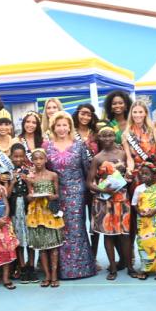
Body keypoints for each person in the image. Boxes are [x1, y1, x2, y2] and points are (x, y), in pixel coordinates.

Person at [44, 111, 97, 280]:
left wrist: (91, 190)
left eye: (65, 125)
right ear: (53, 127)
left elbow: (86, 168)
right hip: (55, 192)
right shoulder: (47, 146)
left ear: (70, 127)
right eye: (58, 125)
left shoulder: (78, 145)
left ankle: (82, 267)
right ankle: (58, 269)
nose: (61, 128)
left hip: (76, 191)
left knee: (76, 229)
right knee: (58, 228)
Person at [87, 125, 132, 279]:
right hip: (104, 200)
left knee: (125, 234)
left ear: (115, 136)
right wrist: (102, 191)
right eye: (103, 136)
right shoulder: (97, 158)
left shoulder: (123, 154)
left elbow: (128, 173)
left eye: (110, 135)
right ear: (99, 138)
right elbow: (90, 182)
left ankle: (130, 266)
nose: (107, 139)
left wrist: (129, 178)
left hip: (121, 198)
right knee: (108, 235)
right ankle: (112, 268)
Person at [25, 147, 64, 286]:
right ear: (32, 160)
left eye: (41, 158)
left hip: (49, 212)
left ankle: (54, 275)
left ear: (46, 159)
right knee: (42, 247)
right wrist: (31, 197)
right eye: (35, 159)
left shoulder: (53, 175)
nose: (38, 161)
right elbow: (29, 196)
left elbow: (57, 195)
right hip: (36, 213)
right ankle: (46, 276)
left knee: (53, 247)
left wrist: (50, 196)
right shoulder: (30, 177)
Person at [8, 143, 36, 282]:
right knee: (18, 238)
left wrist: (28, 181)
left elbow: (33, 192)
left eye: (21, 156)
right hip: (14, 208)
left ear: (25, 156)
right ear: (11, 156)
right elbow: (6, 194)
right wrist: (12, 182)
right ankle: (22, 266)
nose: (18, 159)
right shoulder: (7, 171)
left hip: (28, 206)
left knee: (30, 237)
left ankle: (31, 266)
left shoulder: (30, 170)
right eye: (15, 156)